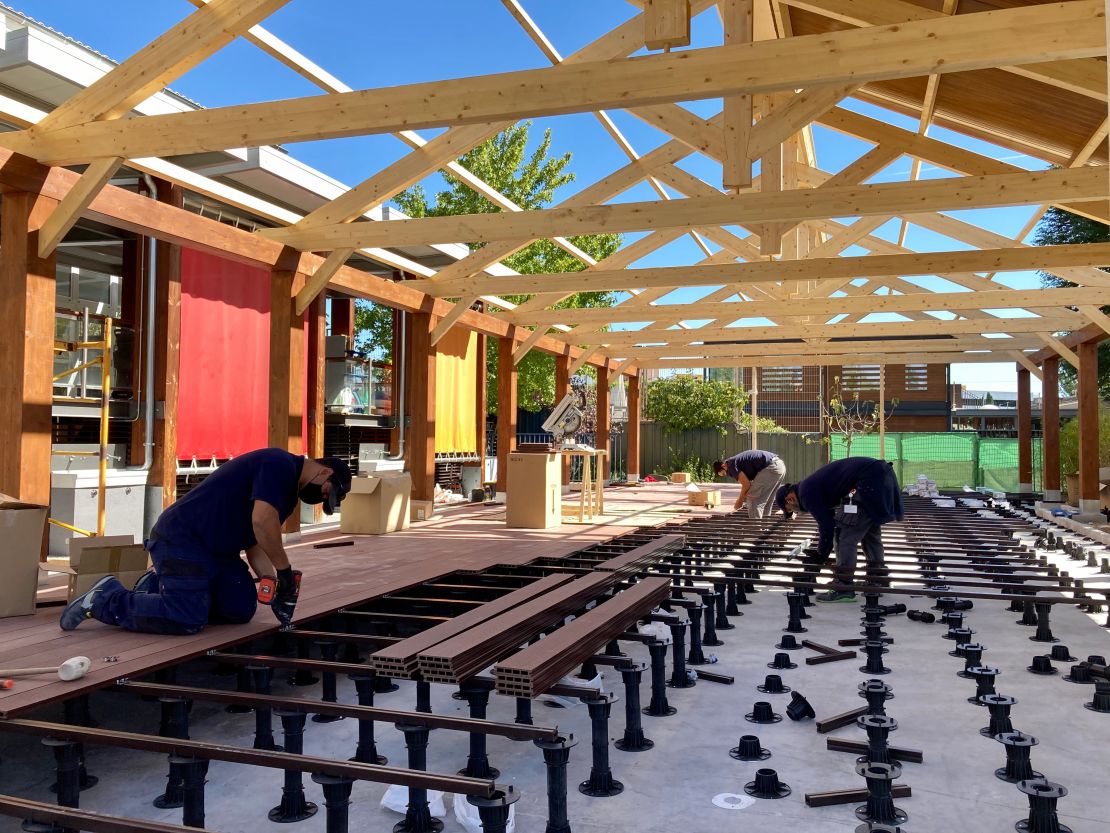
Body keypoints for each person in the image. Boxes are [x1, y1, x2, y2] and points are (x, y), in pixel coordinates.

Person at [60, 449, 353, 634]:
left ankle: (159, 588)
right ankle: (106, 598)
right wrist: (286, 572)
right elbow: (262, 522)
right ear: (325, 471)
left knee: (238, 609)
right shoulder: (279, 464)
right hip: (182, 540)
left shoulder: (287, 494)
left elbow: (254, 541)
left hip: (217, 552)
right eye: (328, 492)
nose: (323, 498)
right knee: (186, 618)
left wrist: (270, 579)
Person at [775, 456, 903, 603]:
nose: (796, 512)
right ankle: (878, 577)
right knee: (869, 532)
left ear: (789, 499)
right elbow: (828, 520)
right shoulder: (810, 486)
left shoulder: (805, 493)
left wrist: (820, 555)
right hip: (881, 474)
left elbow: (828, 527)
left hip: (867, 481)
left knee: (843, 536)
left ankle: (844, 586)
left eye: (791, 510)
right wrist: (822, 550)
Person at [713, 450, 787, 517]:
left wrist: (739, 501)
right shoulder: (736, 461)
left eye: (724, 473)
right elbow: (750, 484)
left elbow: (746, 484)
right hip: (779, 466)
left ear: (723, 466)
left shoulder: (731, 465)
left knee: (753, 500)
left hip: (770, 468)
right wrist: (744, 495)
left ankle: (756, 530)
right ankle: (764, 528)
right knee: (766, 501)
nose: (728, 474)